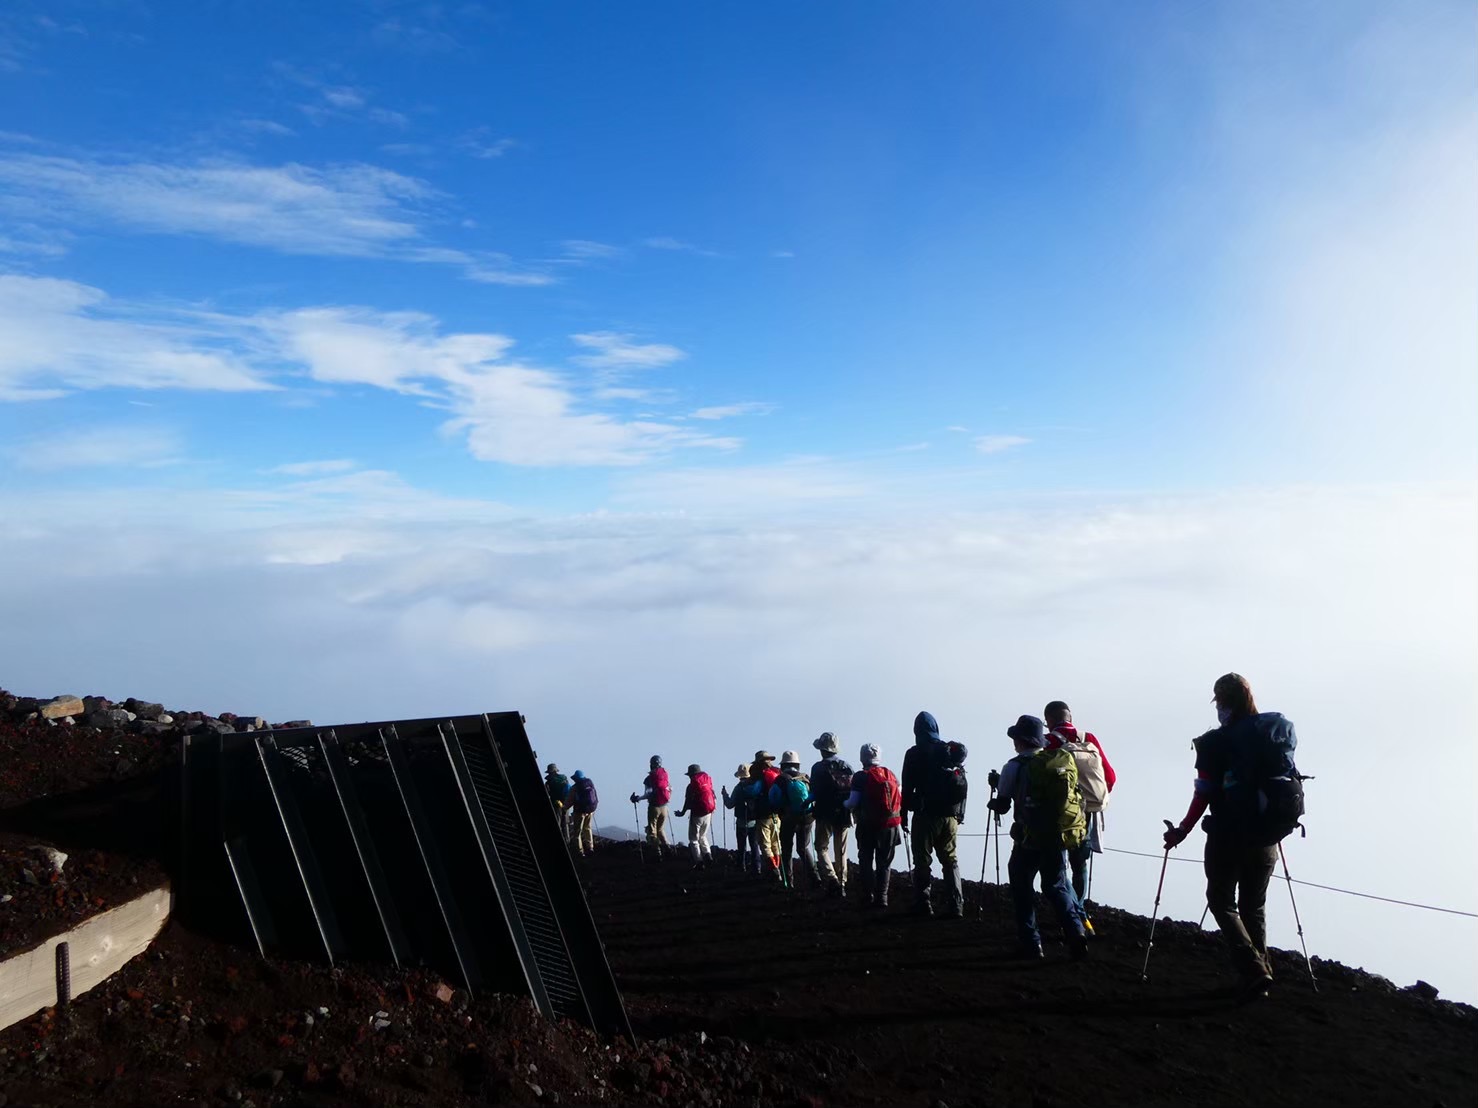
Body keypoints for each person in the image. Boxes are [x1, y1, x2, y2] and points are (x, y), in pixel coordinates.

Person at [1163, 673, 1301, 995]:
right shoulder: (1273, 733)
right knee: (1253, 905)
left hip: (1228, 834)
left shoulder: (1215, 742)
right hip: (1268, 835)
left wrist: (1182, 830)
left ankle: (1253, 969)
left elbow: (1204, 793)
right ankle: (1261, 970)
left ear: (1222, 702)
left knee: (1221, 901)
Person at [987, 715, 1089, 960]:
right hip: (1057, 835)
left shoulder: (1013, 766)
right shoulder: (1059, 761)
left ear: (1020, 741)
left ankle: (1032, 944)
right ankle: (1076, 932)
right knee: (1056, 886)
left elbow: (1002, 805)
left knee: (1022, 887)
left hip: (1028, 838)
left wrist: (995, 791)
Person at [1043, 701, 1116, 931]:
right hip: (1091, 811)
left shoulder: (1050, 742)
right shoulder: (1089, 738)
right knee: (1080, 863)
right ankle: (1082, 909)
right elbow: (1110, 776)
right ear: (1070, 717)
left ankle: (1076, 914)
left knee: (1060, 864)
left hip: (1064, 813)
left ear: (1049, 720)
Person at [900, 711, 968, 918]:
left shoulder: (914, 753)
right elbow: (962, 782)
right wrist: (960, 814)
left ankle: (924, 903)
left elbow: (907, 786)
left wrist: (903, 815)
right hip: (950, 816)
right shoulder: (949, 751)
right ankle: (956, 906)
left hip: (925, 815)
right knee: (950, 860)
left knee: (922, 860)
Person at [844, 743, 903, 909]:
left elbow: (852, 802)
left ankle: (867, 895)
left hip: (867, 824)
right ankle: (882, 897)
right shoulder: (890, 774)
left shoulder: (860, 777)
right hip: (891, 825)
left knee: (866, 859)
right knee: (884, 862)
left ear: (862, 758)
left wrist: (843, 804)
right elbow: (899, 798)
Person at [810, 732, 854, 898]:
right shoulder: (847, 766)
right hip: (843, 812)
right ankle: (842, 884)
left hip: (824, 812)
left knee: (821, 847)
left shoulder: (817, 768)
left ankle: (832, 879)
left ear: (822, 750)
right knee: (841, 850)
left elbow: (813, 791)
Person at [769, 750, 818, 889]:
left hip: (788, 818)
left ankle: (789, 882)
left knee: (787, 850)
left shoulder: (780, 780)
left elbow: (773, 799)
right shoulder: (805, 778)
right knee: (803, 848)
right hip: (807, 818)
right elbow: (813, 796)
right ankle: (815, 876)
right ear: (797, 764)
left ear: (783, 765)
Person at [748, 750, 784, 881]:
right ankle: (778, 868)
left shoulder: (759, 775)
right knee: (776, 843)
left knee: (765, 845)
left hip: (763, 814)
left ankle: (774, 871)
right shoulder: (777, 772)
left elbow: (753, 791)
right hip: (776, 813)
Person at [674, 763, 717, 868]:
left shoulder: (691, 786)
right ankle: (708, 855)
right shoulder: (707, 782)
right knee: (703, 836)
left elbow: (687, 801)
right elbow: (713, 795)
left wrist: (682, 812)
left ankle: (699, 861)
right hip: (709, 812)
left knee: (693, 839)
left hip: (697, 814)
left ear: (691, 774)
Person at [629, 754, 673, 858]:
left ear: (651, 764)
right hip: (665, 807)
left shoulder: (649, 779)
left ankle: (657, 853)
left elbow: (647, 794)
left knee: (652, 831)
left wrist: (637, 799)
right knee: (660, 829)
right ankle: (667, 848)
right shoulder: (665, 774)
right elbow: (670, 789)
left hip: (654, 807)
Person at [722, 763, 759, 874]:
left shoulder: (738, 788)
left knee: (741, 847)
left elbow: (729, 804)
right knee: (755, 846)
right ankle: (757, 868)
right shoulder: (755, 786)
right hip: (754, 821)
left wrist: (724, 795)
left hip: (741, 822)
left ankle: (741, 867)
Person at [568, 770, 599, 856]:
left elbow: (570, 801)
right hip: (591, 810)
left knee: (577, 831)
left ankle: (580, 851)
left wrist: (564, 808)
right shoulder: (590, 783)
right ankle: (590, 847)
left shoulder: (575, 787)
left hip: (580, 811)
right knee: (587, 828)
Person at [545, 762, 573, 840]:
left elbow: (546, 792)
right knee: (566, 822)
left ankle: (557, 839)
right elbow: (568, 789)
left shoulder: (549, 781)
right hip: (566, 802)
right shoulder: (564, 778)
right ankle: (567, 839)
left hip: (556, 803)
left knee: (558, 820)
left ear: (549, 772)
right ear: (556, 770)